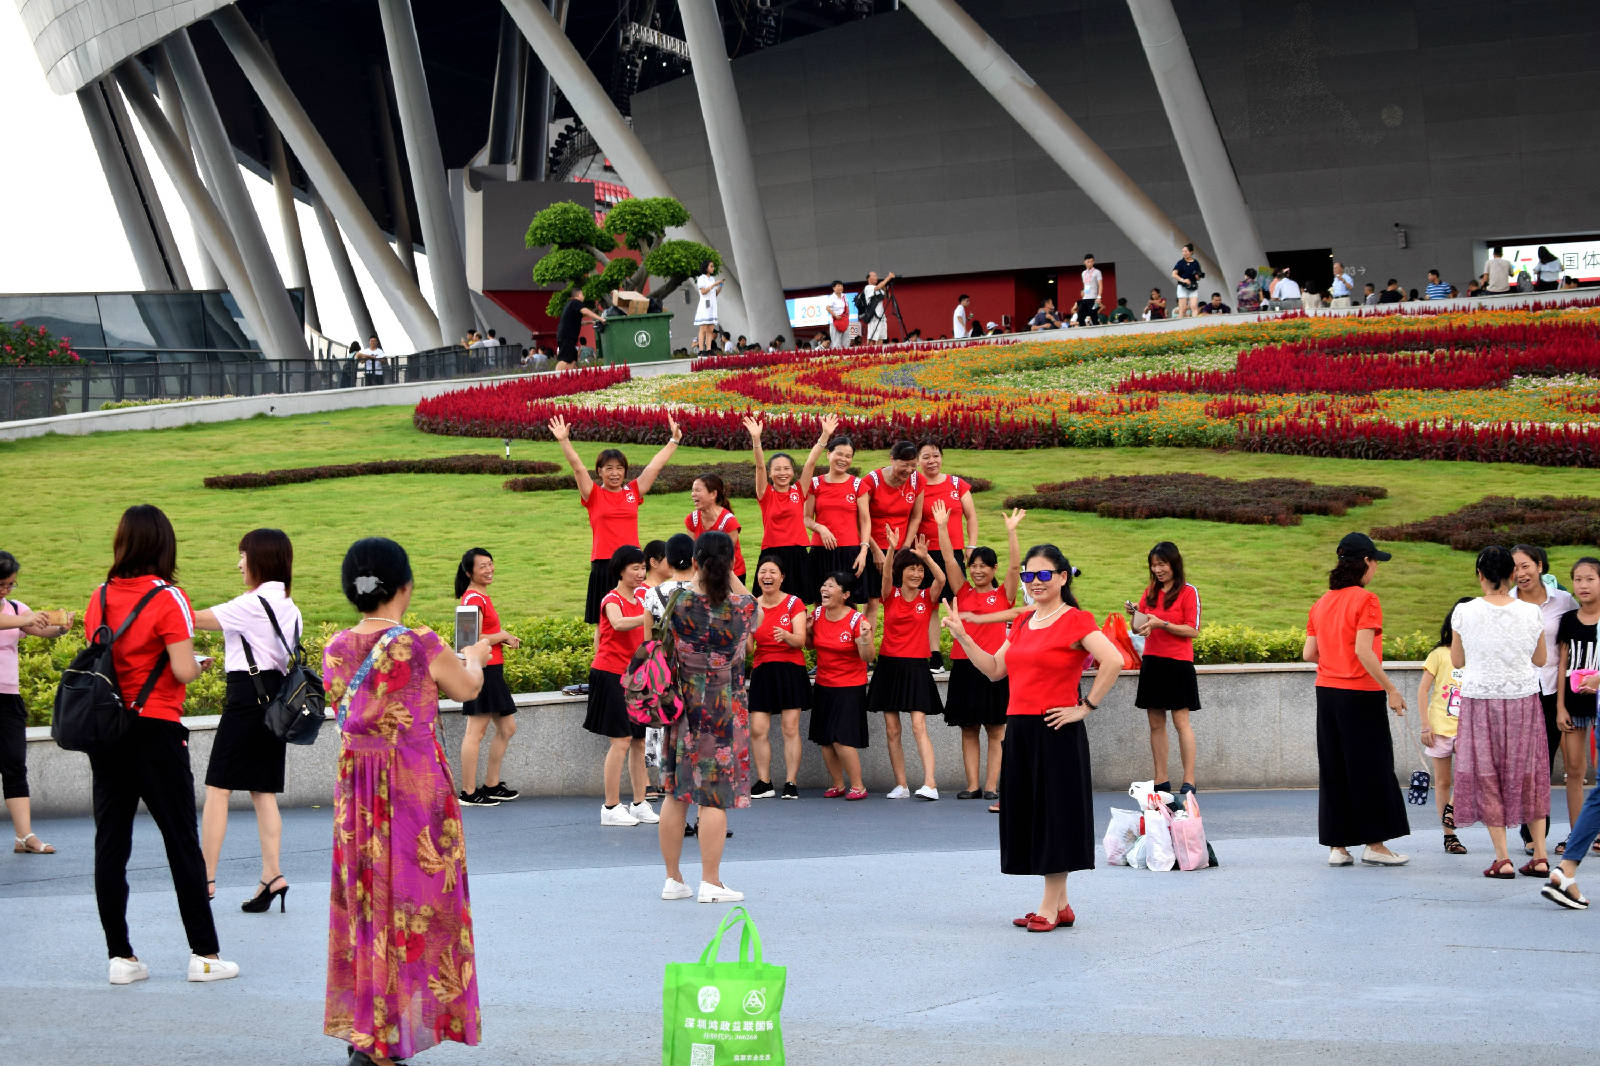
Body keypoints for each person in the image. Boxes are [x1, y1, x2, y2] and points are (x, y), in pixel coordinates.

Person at [323, 537, 490, 1065]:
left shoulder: (335, 648)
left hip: (357, 799)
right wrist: (476, 657)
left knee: (367, 910)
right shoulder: (421, 644)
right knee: (420, 911)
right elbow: (467, 689)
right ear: (405, 585)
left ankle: (370, 1032)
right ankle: (388, 1041)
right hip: (414, 793)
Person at [81, 505, 237, 985]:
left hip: (108, 733)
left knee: (111, 843)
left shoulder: (100, 596)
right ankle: (204, 954)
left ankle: (120, 957)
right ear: (164, 545)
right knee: (181, 841)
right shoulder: (170, 597)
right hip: (156, 729)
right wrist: (199, 665)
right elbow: (183, 669)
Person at [943, 544, 1123, 932]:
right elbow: (995, 669)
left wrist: (1085, 707)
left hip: (1056, 730)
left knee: (1054, 815)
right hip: (1021, 729)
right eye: (1028, 575)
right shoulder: (1025, 620)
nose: (1035, 582)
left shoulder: (1076, 619)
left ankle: (1048, 907)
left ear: (1062, 577)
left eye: (1043, 574)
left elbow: (1114, 660)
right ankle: (1061, 904)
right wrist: (964, 636)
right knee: (1033, 814)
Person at [194, 529, 302, 911]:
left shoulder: (251, 604)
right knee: (263, 790)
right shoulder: (290, 606)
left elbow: (194, 619)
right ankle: (272, 875)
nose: (239, 564)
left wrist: (161, 603)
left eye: (243, 556)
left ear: (260, 560)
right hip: (276, 702)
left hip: (245, 699)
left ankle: (205, 878)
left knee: (218, 788)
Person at [657, 532, 758, 904]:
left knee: (675, 794)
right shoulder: (741, 608)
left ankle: (673, 879)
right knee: (713, 798)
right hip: (721, 713)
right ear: (729, 565)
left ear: (695, 561)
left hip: (683, 710)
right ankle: (710, 882)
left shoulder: (677, 602)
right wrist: (728, 572)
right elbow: (756, 612)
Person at [1303, 532, 1411, 868]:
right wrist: (1391, 689)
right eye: (1375, 561)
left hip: (1327, 693)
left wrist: (1335, 661)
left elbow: (1309, 653)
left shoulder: (1321, 603)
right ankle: (1375, 845)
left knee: (1335, 767)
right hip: (1360, 694)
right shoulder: (1367, 600)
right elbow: (1364, 651)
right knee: (1371, 767)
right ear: (1365, 561)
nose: (1376, 568)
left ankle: (1338, 847)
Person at [1451, 546, 1550, 879]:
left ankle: (1502, 858)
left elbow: (1457, 660)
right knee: (1530, 775)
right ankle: (1540, 855)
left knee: (1488, 775)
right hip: (1523, 699)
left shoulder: (1464, 612)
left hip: (1480, 699)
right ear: (1512, 575)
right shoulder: (1532, 612)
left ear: (1480, 575)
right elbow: (1540, 660)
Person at [549, 412, 681, 626]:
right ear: (599, 471)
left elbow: (654, 467)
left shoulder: (633, 491)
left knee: (639, 617)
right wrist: (564, 440)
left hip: (633, 564)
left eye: (619, 468)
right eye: (609, 468)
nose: (615, 473)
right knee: (604, 624)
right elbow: (578, 467)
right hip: (604, 564)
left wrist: (673, 441)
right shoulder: (593, 494)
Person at [935, 507, 1024, 806]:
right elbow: (949, 559)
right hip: (964, 666)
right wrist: (942, 527)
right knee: (968, 727)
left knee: (996, 729)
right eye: (973, 565)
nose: (977, 570)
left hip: (995, 667)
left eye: (984, 566)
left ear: (994, 569)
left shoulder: (1003, 595)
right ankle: (972, 785)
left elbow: (1015, 567)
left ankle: (991, 786)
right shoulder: (962, 592)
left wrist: (1012, 531)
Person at [0, 550, 71, 855]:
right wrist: (25, 618)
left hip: (8, 698)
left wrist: (60, 627)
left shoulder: (16, 609)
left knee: (15, 764)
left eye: (10, 584)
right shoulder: (17, 614)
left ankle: (24, 836)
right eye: (2, 584)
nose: (6, 590)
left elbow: (40, 629)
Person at [583, 545, 659, 827]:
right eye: (635, 568)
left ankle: (639, 803)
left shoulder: (643, 597)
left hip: (637, 676)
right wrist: (648, 616)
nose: (640, 573)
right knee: (621, 740)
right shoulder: (611, 599)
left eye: (643, 568)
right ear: (620, 570)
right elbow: (617, 623)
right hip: (611, 675)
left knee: (639, 741)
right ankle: (611, 806)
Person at [867, 529, 945, 800]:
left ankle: (930, 783)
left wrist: (927, 557)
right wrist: (890, 549)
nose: (917, 574)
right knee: (892, 729)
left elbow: (941, 579)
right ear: (901, 571)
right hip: (889, 666)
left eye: (919, 570)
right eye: (912, 569)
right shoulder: (891, 594)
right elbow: (886, 576)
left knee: (918, 726)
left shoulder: (927, 597)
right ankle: (901, 785)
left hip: (916, 667)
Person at [1510, 543, 1577, 853]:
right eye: (1514, 568)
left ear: (1539, 566)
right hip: (1518, 691)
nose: (1520, 573)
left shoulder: (1563, 600)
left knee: (1543, 762)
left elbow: (1579, 631)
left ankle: (1535, 833)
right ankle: (1530, 833)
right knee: (1524, 764)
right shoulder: (1507, 602)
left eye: (1525, 565)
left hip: (1552, 690)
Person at [1129, 541, 1202, 798]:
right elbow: (1138, 628)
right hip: (1153, 661)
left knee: (1181, 721)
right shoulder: (1150, 591)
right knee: (1155, 723)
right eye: (1153, 565)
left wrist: (1163, 624)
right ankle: (1161, 779)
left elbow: (1193, 630)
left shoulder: (1189, 592)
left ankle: (1189, 780)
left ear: (1174, 563)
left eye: (1162, 564)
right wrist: (1135, 614)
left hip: (1178, 663)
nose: (1157, 570)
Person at [454, 548, 521, 807]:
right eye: (482, 566)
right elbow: (467, 641)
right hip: (482, 670)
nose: (489, 569)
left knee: (507, 728)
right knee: (476, 731)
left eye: (490, 564)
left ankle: (491, 786)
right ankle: (468, 792)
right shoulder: (473, 599)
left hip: (493, 670)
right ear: (469, 572)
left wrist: (502, 637)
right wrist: (502, 635)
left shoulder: (480, 597)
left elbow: (482, 635)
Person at [747, 554, 808, 801]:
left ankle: (791, 782)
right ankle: (764, 782)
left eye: (772, 572)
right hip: (763, 670)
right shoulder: (752, 606)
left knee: (790, 728)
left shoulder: (794, 603)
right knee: (757, 729)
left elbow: (801, 640)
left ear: (782, 577)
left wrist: (787, 635)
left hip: (790, 669)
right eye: (763, 572)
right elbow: (748, 648)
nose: (767, 576)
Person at [745, 415, 827, 601]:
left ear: (792, 472)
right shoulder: (765, 494)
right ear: (770, 473)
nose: (782, 473)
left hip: (797, 554)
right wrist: (756, 439)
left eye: (787, 468)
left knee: (800, 602)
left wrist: (825, 435)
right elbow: (759, 467)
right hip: (772, 554)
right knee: (768, 601)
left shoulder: (799, 490)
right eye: (777, 469)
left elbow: (810, 463)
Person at [808, 571, 874, 800]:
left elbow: (868, 657)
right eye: (824, 585)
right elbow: (810, 646)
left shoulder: (857, 620)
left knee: (841, 738)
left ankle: (858, 786)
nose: (824, 589)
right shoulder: (817, 614)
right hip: (824, 684)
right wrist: (807, 630)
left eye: (831, 586)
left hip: (849, 687)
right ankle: (838, 785)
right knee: (825, 740)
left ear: (845, 595)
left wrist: (865, 638)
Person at [643, 534, 697, 802]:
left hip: (666, 674)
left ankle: (667, 787)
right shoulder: (705, 591)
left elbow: (648, 643)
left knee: (668, 731)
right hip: (700, 674)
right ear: (695, 559)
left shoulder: (652, 594)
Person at [914, 439, 977, 668]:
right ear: (918, 461)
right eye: (926, 457)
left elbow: (971, 516)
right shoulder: (915, 486)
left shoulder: (956, 484)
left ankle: (964, 652)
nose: (932, 461)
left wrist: (971, 546)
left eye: (936, 456)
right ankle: (934, 656)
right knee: (929, 603)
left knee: (956, 602)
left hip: (954, 553)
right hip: (925, 554)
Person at [1419, 598, 1474, 856]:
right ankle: (1449, 836)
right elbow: (1423, 690)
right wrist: (1425, 726)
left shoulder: (1479, 655)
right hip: (1440, 729)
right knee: (1442, 782)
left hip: (1469, 730)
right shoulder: (1439, 654)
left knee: (1469, 775)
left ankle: (1451, 809)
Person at [1553, 557, 1599, 856]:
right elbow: (1562, 664)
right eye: (1578, 579)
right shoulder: (1568, 619)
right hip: (1573, 705)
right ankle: (1576, 833)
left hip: (1599, 704)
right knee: (1574, 770)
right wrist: (1560, 707)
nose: (1583, 585)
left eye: (1590, 579)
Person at [805, 431, 871, 605]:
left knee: (848, 602)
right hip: (821, 551)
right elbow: (806, 518)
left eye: (848, 456)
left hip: (850, 552)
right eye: (839, 454)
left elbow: (865, 521)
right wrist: (821, 528)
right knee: (821, 602)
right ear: (829, 454)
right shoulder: (815, 484)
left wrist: (863, 552)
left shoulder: (858, 485)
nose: (843, 459)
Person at [864, 442, 924, 627]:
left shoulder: (917, 480)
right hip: (875, 548)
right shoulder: (872, 481)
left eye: (913, 465)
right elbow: (861, 520)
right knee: (873, 601)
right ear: (892, 459)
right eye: (905, 465)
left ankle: (899, 642)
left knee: (901, 601)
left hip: (901, 549)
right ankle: (867, 645)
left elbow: (916, 517)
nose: (909, 470)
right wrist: (875, 551)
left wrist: (905, 548)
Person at [685, 472, 746, 581]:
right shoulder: (692, 520)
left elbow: (725, 556)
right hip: (704, 573)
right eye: (693, 490)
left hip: (731, 574)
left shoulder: (729, 522)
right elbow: (694, 552)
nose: (693, 494)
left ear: (713, 494)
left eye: (698, 490)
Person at [555, 294, 604, 371]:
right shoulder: (575, 302)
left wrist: (592, 322)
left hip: (568, 337)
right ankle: (556, 377)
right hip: (567, 337)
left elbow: (581, 323)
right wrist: (601, 318)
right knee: (565, 359)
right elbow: (585, 311)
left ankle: (571, 376)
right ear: (578, 295)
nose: (584, 296)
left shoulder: (572, 309)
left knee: (573, 359)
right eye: (582, 294)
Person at [694, 259, 724, 354]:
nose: (713, 268)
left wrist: (720, 286)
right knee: (703, 329)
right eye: (711, 266)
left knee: (710, 329)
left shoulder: (712, 279)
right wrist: (714, 284)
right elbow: (703, 292)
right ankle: (701, 350)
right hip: (704, 306)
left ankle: (709, 349)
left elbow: (715, 294)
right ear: (706, 267)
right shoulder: (701, 278)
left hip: (712, 306)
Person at [861, 270, 895, 343]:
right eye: (874, 276)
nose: (876, 277)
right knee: (871, 336)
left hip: (881, 316)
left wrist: (885, 289)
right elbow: (877, 287)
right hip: (873, 316)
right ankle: (870, 350)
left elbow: (888, 297)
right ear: (868, 278)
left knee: (881, 337)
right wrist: (888, 277)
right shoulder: (868, 287)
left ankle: (879, 350)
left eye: (876, 276)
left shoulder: (879, 289)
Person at [1171, 243, 1203, 317]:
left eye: (1186, 251)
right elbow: (1174, 274)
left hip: (1193, 286)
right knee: (1183, 309)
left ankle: (1194, 322)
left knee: (1194, 306)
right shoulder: (1181, 262)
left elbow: (1198, 278)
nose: (1184, 253)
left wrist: (1197, 276)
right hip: (1183, 286)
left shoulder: (1195, 263)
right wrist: (1183, 280)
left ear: (1191, 252)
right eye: (1183, 251)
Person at [1077, 254, 1103, 325]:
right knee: (1080, 316)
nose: (1090, 263)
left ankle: (1098, 331)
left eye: (1091, 261)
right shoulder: (1083, 273)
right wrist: (1084, 293)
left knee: (1094, 317)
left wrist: (1099, 297)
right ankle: (1083, 330)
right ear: (1084, 262)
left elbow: (1100, 285)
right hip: (1085, 298)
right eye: (1088, 262)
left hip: (1094, 299)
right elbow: (1086, 285)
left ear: (1093, 262)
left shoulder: (1097, 272)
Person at [826, 280, 850, 349]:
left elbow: (847, 307)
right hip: (835, 321)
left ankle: (846, 354)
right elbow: (827, 308)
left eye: (841, 286)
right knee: (836, 342)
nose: (840, 287)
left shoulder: (844, 296)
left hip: (844, 321)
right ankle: (837, 355)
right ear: (834, 288)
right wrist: (835, 315)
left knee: (846, 341)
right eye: (838, 286)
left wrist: (847, 316)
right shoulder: (832, 297)